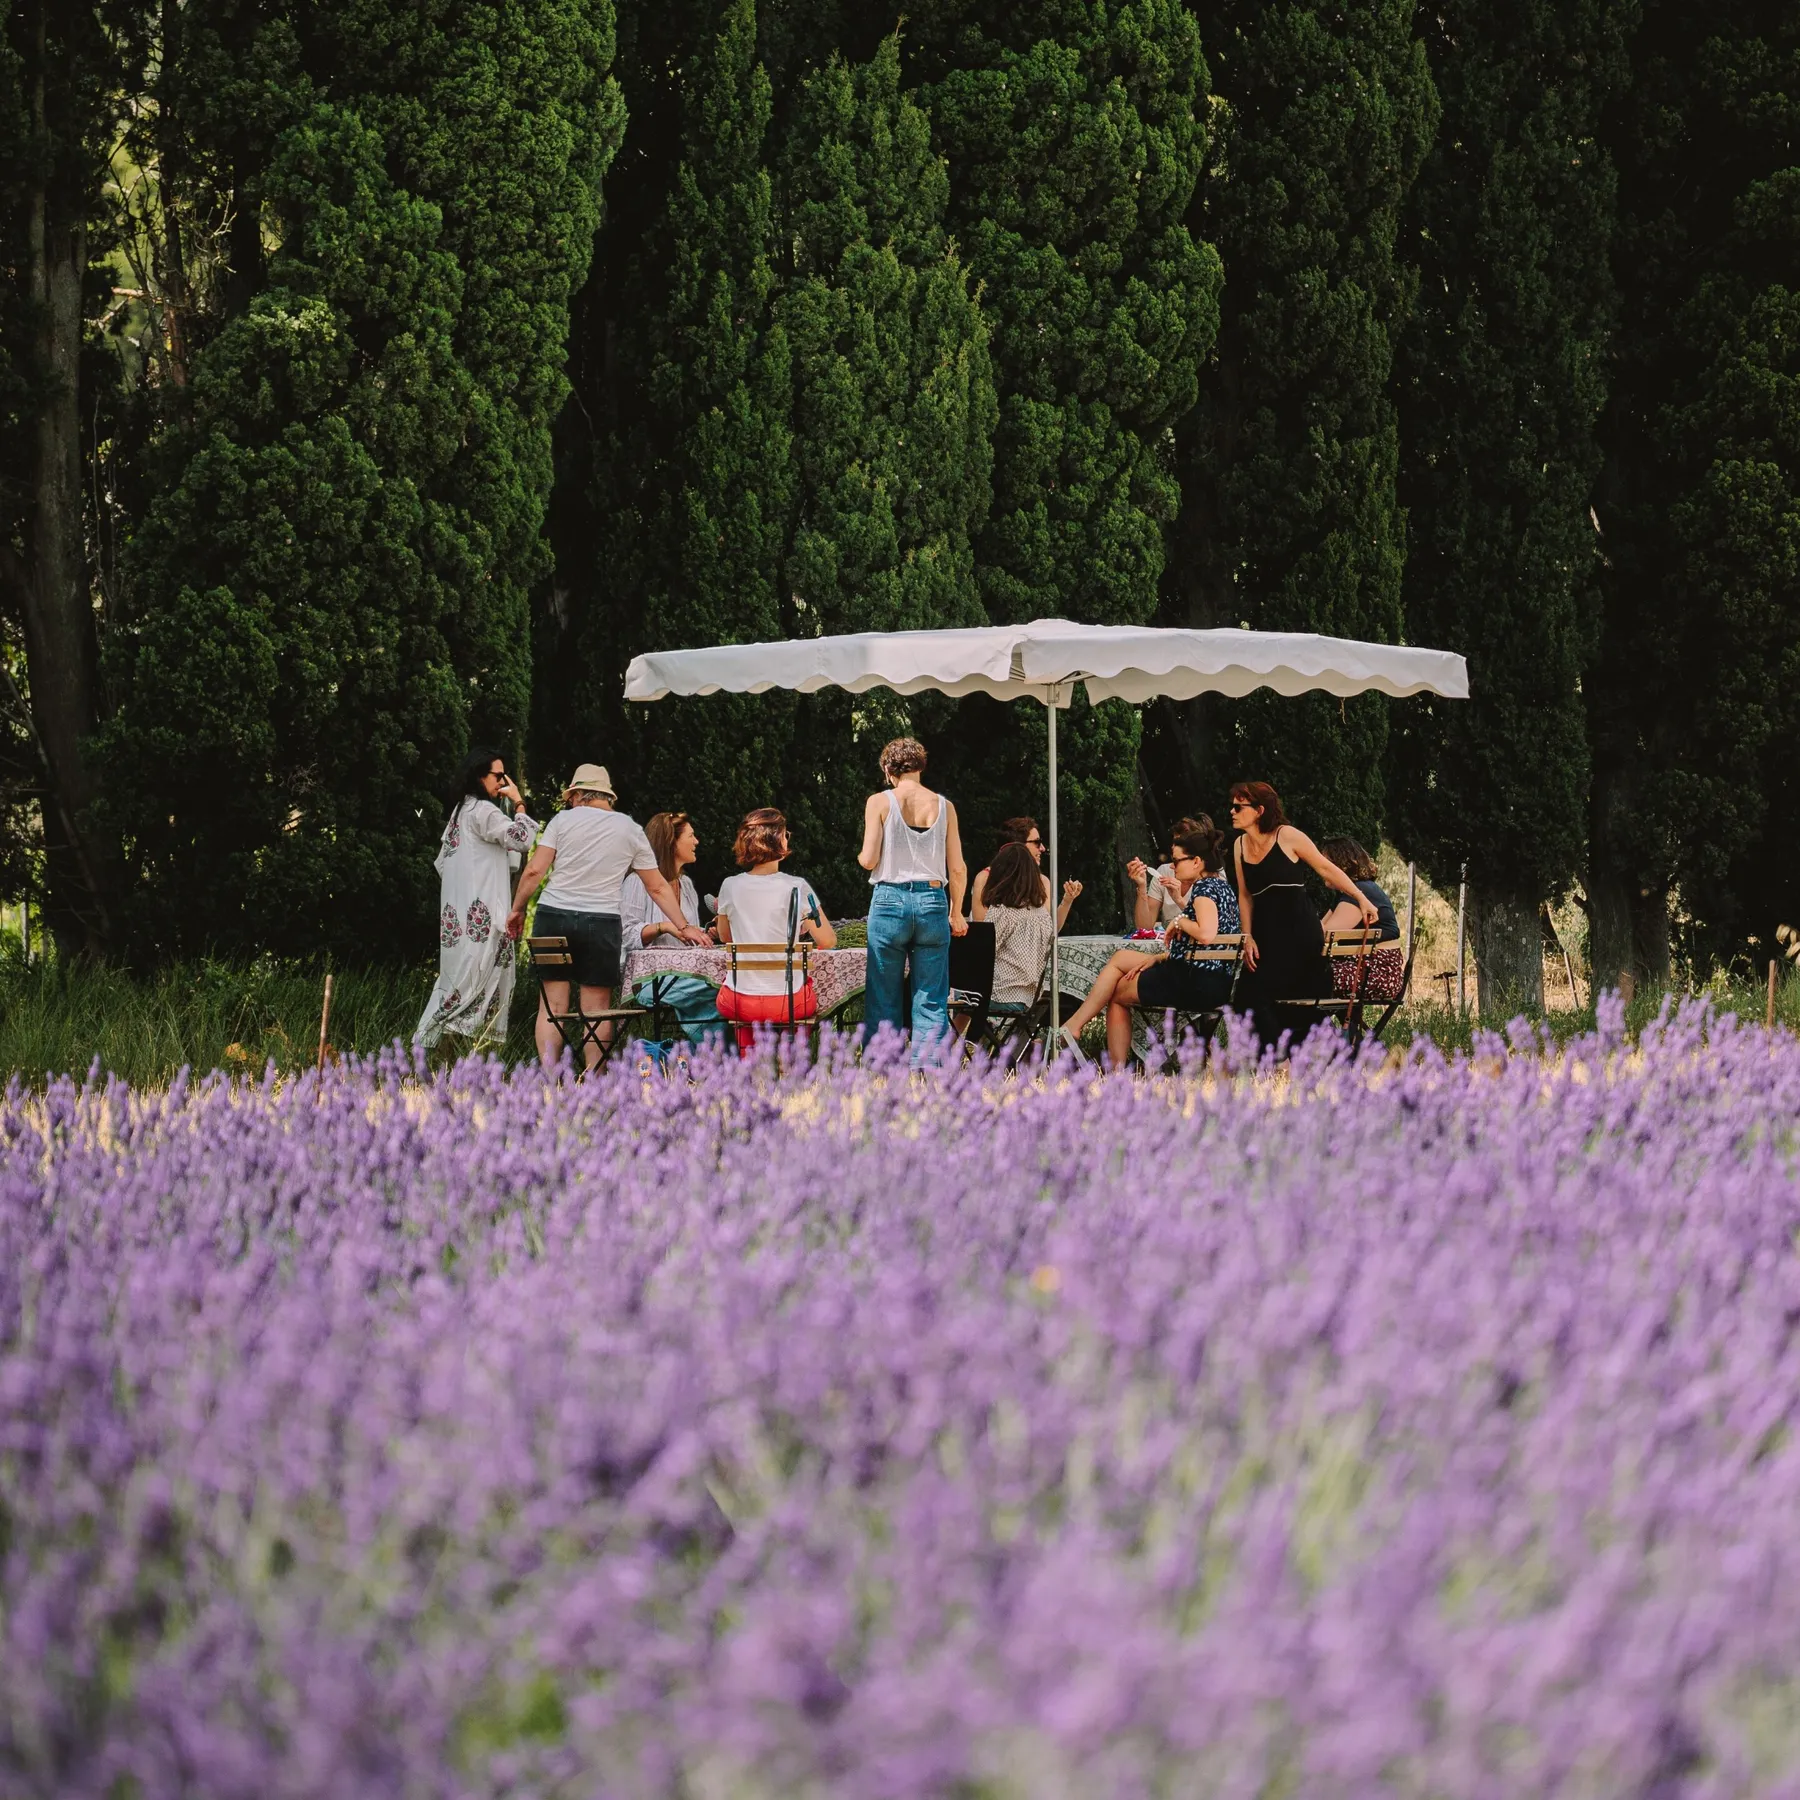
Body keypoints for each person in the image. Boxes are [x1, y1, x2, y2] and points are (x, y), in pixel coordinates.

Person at [506, 764, 708, 1070]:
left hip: (553, 917)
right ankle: (594, 1077)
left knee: (551, 1006)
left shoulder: (562, 820)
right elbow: (656, 886)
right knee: (597, 1008)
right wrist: (684, 926)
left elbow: (535, 870)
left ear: (576, 795)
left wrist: (518, 909)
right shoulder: (629, 829)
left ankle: (549, 1080)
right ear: (606, 796)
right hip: (600, 924)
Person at [1056, 821, 1238, 1068]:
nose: (1172, 867)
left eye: (1177, 861)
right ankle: (1076, 1027)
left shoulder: (1204, 888)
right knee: (1121, 958)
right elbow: (1212, 942)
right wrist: (1159, 956)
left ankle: (1110, 1065)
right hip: (1214, 980)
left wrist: (1180, 922)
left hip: (1196, 981)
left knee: (1118, 993)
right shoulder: (1222, 887)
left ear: (1197, 861)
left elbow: (1206, 934)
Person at [1230, 781, 1377, 1052]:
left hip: (1299, 935)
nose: (1232, 811)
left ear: (1259, 810)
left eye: (1239, 806)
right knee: (1245, 996)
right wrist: (1247, 935)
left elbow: (1326, 868)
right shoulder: (1239, 846)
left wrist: (1361, 897)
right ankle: (1281, 1058)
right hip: (1265, 935)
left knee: (1257, 993)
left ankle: (1282, 1061)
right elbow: (1245, 895)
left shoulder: (1288, 836)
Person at [415, 748, 540, 1052]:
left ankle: (434, 1055)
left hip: (459, 923)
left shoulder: (460, 813)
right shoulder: (484, 812)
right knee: (480, 986)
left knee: (455, 985)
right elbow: (522, 839)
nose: (503, 782)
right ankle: (459, 1060)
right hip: (483, 922)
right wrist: (519, 801)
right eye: (498, 776)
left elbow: (443, 864)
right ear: (478, 776)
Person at [857, 737, 968, 1063]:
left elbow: (868, 858)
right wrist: (956, 911)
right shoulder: (945, 806)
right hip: (933, 899)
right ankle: (928, 1070)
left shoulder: (880, 801)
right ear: (920, 767)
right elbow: (958, 868)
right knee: (931, 995)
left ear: (889, 769)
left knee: (883, 993)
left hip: (889, 900)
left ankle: (882, 1067)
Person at [714, 808, 836, 1052]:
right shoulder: (797, 887)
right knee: (808, 993)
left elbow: (726, 938)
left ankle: (750, 1059)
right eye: (785, 834)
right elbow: (828, 940)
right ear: (778, 839)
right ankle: (790, 1057)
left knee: (734, 996)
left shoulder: (730, 886)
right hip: (789, 1002)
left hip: (741, 1002)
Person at [621, 811, 726, 1045]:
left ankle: (693, 1057)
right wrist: (665, 927)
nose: (697, 841)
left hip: (687, 976)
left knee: (727, 991)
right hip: (651, 981)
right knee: (724, 992)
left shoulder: (686, 885)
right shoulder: (637, 882)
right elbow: (626, 935)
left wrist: (706, 933)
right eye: (691, 835)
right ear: (671, 841)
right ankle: (715, 1061)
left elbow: (687, 931)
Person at [1318, 836, 1406, 1003]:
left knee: (1301, 979)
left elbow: (1324, 935)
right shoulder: (1348, 894)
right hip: (1366, 971)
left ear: (1341, 865)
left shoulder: (1360, 892)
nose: (1321, 869)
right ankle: (1324, 1028)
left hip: (1376, 974)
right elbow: (1321, 928)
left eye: (1325, 864)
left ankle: (1316, 1028)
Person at [972, 815, 1082, 924]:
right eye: (1037, 842)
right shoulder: (985, 878)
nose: (1042, 848)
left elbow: (1050, 930)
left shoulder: (1042, 881)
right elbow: (984, 930)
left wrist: (1067, 900)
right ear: (1018, 846)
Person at [1127, 816, 1207, 930]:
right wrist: (1142, 886)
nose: (1173, 847)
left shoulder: (1212, 877)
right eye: (1174, 842)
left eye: (1180, 843)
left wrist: (1179, 900)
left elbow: (1210, 927)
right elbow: (1144, 927)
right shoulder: (1164, 871)